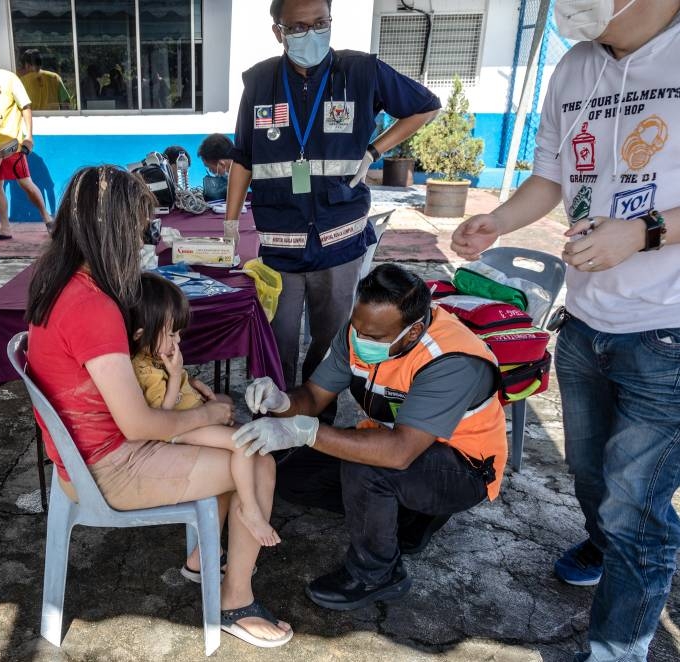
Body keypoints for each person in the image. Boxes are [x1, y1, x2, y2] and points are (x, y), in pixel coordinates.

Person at [451, 0, 680, 661]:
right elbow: (551, 178)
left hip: (666, 330)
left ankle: (618, 649)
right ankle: (607, 541)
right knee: (588, 472)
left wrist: (645, 232)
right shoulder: (575, 67)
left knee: (638, 503)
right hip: (585, 319)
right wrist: (497, 220)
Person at [26, 165, 293, 648]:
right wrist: (206, 415)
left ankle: (201, 560)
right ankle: (235, 599)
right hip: (109, 467)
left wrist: (189, 400)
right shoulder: (92, 306)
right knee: (260, 463)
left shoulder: (61, 282)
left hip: (85, 455)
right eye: (140, 229)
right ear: (115, 229)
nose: (144, 240)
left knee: (239, 450)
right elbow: (137, 425)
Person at [231, 264, 508, 611]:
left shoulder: (452, 359)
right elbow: (315, 397)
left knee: (369, 470)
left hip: (461, 467)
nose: (361, 341)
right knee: (292, 476)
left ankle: (377, 574)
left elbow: (398, 454)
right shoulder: (360, 331)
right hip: (394, 444)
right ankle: (407, 519)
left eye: (375, 337)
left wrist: (303, 431)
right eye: (358, 327)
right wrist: (283, 401)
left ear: (413, 332)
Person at [225, 0, 439, 422]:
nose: (311, 34)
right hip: (281, 243)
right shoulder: (261, 82)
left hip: (339, 240)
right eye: (299, 27)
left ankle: (318, 426)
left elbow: (425, 106)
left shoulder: (362, 72)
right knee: (278, 341)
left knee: (333, 342)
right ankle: (278, 421)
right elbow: (244, 157)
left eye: (320, 24)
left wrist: (375, 149)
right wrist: (230, 222)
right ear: (278, 32)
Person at [129, 272, 280, 547]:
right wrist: (176, 378)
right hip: (177, 431)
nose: (178, 342)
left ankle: (203, 555)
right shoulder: (143, 368)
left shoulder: (155, 355)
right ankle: (250, 509)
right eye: (171, 334)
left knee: (243, 440)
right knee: (243, 442)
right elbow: (163, 414)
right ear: (141, 334)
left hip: (191, 420)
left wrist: (191, 382)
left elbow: (178, 388)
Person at [0, 42, 52, 240]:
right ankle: (5, 229)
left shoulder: (9, 79)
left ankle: (48, 219)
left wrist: (29, 137)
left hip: (11, 146)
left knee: (26, 184)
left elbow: (26, 107)